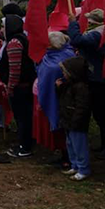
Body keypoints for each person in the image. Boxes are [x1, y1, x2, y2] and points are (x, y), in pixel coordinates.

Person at [68, 8, 105, 159]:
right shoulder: (101, 32)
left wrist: (73, 24)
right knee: (100, 114)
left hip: (99, 79)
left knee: (102, 115)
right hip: (98, 77)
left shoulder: (98, 34)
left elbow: (77, 40)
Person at [34, 32, 75, 168]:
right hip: (50, 95)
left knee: (63, 128)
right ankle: (63, 155)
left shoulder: (66, 57)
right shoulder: (49, 56)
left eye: (49, 43)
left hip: (61, 98)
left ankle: (69, 158)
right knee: (58, 129)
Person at [0, 15, 36, 158]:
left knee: (22, 118)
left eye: (3, 26)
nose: (1, 30)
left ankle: (25, 147)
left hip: (20, 87)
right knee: (25, 117)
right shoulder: (22, 39)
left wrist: (10, 87)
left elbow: (15, 69)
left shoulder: (14, 42)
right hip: (25, 85)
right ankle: (26, 143)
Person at [56, 56, 93, 182]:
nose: (63, 74)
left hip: (76, 122)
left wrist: (76, 120)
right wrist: (59, 87)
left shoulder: (81, 88)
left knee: (79, 146)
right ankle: (75, 165)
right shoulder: (68, 85)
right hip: (68, 120)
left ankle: (83, 169)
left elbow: (82, 107)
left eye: (65, 72)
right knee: (70, 144)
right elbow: (62, 98)